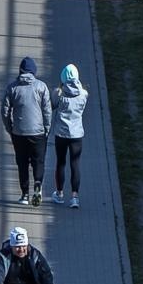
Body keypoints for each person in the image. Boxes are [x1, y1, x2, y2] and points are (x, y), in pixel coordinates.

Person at [1, 56, 52, 206]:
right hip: (38, 132)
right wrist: (47, 128)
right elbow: (47, 110)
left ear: (20, 71)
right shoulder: (41, 87)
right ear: (34, 72)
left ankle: (24, 195)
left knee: (22, 163)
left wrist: (10, 128)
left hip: (19, 132)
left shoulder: (12, 87)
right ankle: (38, 183)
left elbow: (4, 111)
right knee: (39, 161)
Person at [50, 64, 88, 207]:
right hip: (77, 134)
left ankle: (59, 194)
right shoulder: (84, 94)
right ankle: (75, 197)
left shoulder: (58, 93)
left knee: (60, 163)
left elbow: (52, 106)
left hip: (61, 134)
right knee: (75, 164)